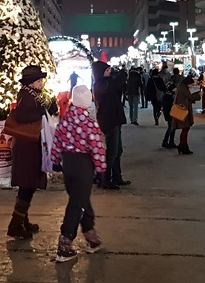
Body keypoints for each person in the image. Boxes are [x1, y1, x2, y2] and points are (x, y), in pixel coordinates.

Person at [51, 85, 106, 262]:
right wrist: (101, 169)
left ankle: (92, 238)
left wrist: (56, 160)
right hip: (83, 165)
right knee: (77, 204)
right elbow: (97, 147)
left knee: (80, 200)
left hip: (68, 164)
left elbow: (57, 140)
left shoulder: (65, 120)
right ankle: (64, 246)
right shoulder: (89, 124)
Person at [7, 65, 58, 240]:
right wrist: (44, 110)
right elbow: (23, 116)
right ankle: (15, 225)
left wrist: (48, 108)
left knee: (27, 185)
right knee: (27, 185)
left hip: (30, 146)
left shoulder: (32, 95)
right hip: (27, 147)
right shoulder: (26, 96)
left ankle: (22, 221)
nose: (41, 83)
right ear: (31, 82)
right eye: (39, 80)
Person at [92, 60, 129, 190]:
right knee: (112, 152)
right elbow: (116, 84)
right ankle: (105, 179)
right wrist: (123, 73)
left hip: (115, 119)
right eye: (107, 70)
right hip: (110, 120)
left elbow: (118, 87)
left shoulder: (106, 83)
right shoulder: (101, 85)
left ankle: (117, 177)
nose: (110, 72)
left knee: (117, 150)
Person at [172, 76, 201, 155]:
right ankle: (183, 146)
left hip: (183, 109)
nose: (191, 86)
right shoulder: (183, 88)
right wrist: (199, 95)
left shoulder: (181, 87)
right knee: (185, 128)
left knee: (185, 129)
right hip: (184, 110)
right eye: (191, 84)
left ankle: (183, 145)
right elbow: (190, 97)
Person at [161, 82, 177, 148]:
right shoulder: (170, 96)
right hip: (170, 114)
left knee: (172, 128)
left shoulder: (167, 95)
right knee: (171, 128)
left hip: (168, 114)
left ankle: (170, 142)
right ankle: (166, 142)